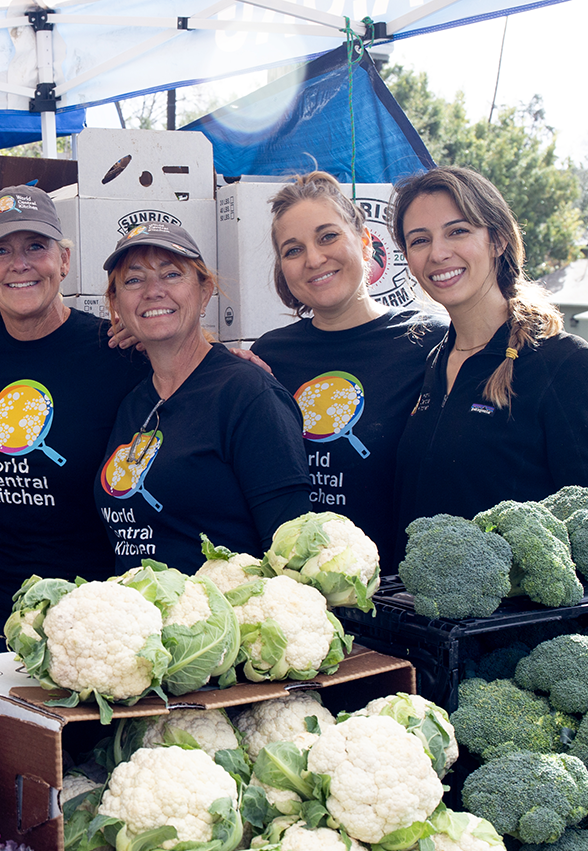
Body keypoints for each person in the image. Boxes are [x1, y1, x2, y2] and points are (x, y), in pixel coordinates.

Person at [0, 184, 148, 655]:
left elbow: (186, 363)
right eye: (1, 251)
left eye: (36, 246)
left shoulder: (116, 350)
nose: (20, 263)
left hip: (89, 610)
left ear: (64, 260)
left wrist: (231, 358)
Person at [390, 165, 588, 563]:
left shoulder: (564, 366)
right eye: (419, 240)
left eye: (457, 231)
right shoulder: (432, 362)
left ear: (497, 239)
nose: (438, 252)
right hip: (419, 618)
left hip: (516, 624)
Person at [250, 171, 447, 570]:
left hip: (398, 602)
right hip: (296, 593)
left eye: (327, 236)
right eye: (293, 250)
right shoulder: (269, 355)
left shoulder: (430, 342)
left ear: (363, 241)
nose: (314, 259)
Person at [95, 221, 311, 574]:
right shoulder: (134, 403)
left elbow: (292, 554)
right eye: (133, 280)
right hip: (144, 624)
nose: (153, 291)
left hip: (222, 624)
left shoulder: (248, 394)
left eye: (171, 275)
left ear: (205, 290)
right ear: (116, 304)